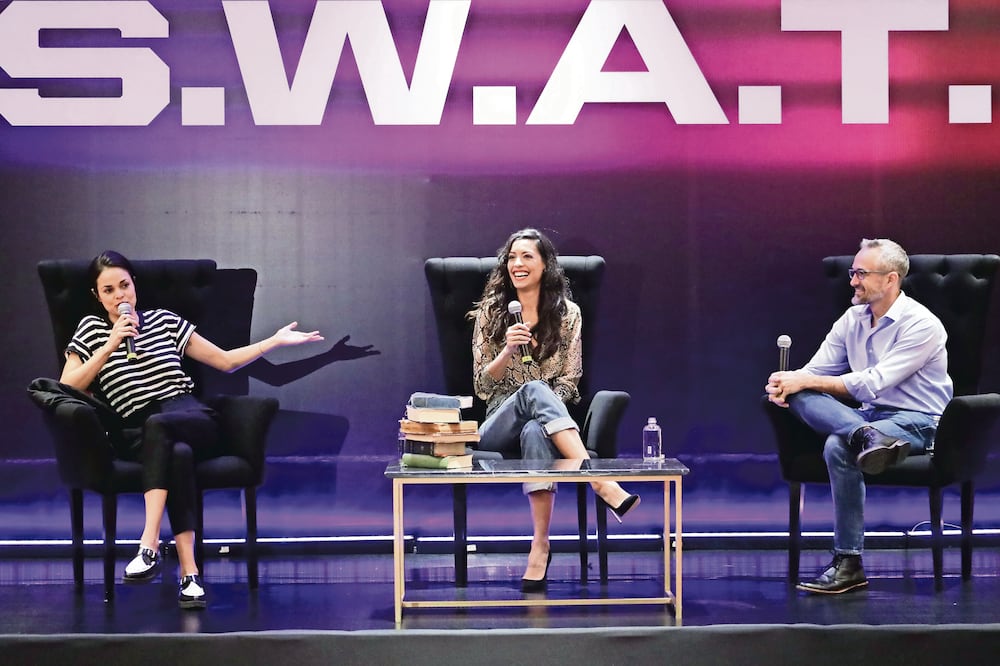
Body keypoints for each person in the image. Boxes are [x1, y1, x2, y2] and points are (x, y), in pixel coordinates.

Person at [59, 251, 323, 609]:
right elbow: (68, 386)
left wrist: (273, 341)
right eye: (109, 290)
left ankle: (149, 543)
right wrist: (110, 345)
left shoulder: (164, 321)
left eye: (125, 285)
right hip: (136, 429)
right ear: (97, 295)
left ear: (135, 284)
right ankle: (190, 574)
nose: (120, 296)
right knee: (177, 455)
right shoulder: (91, 331)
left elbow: (225, 362)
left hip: (187, 414)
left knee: (165, 428)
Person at [766, 238, 951, 594]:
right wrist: (787, 383)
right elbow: (815, 372)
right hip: (872, 418)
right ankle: (866, 435)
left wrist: (804, 379)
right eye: (853, 272)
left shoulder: (922, 325)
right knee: (800, 391)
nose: (853, 280)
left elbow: (873, 383)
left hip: (918, 420)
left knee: (839, 445)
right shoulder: (852, 318)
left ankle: (848, 562)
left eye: (862, 273)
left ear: (890, 279)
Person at [469, 228, 640, 593]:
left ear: (545, 265)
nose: (517, 264)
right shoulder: (491, 313)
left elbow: (570, 381)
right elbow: (482, 387)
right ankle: (600, 482)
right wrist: (506, 352)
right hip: (498, 420)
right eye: (512, 257)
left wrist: (542, 406)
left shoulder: (568, 314)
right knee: (533, 391)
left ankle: (540, 545)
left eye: (527, 256)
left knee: (536, 427)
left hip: (548, 420)